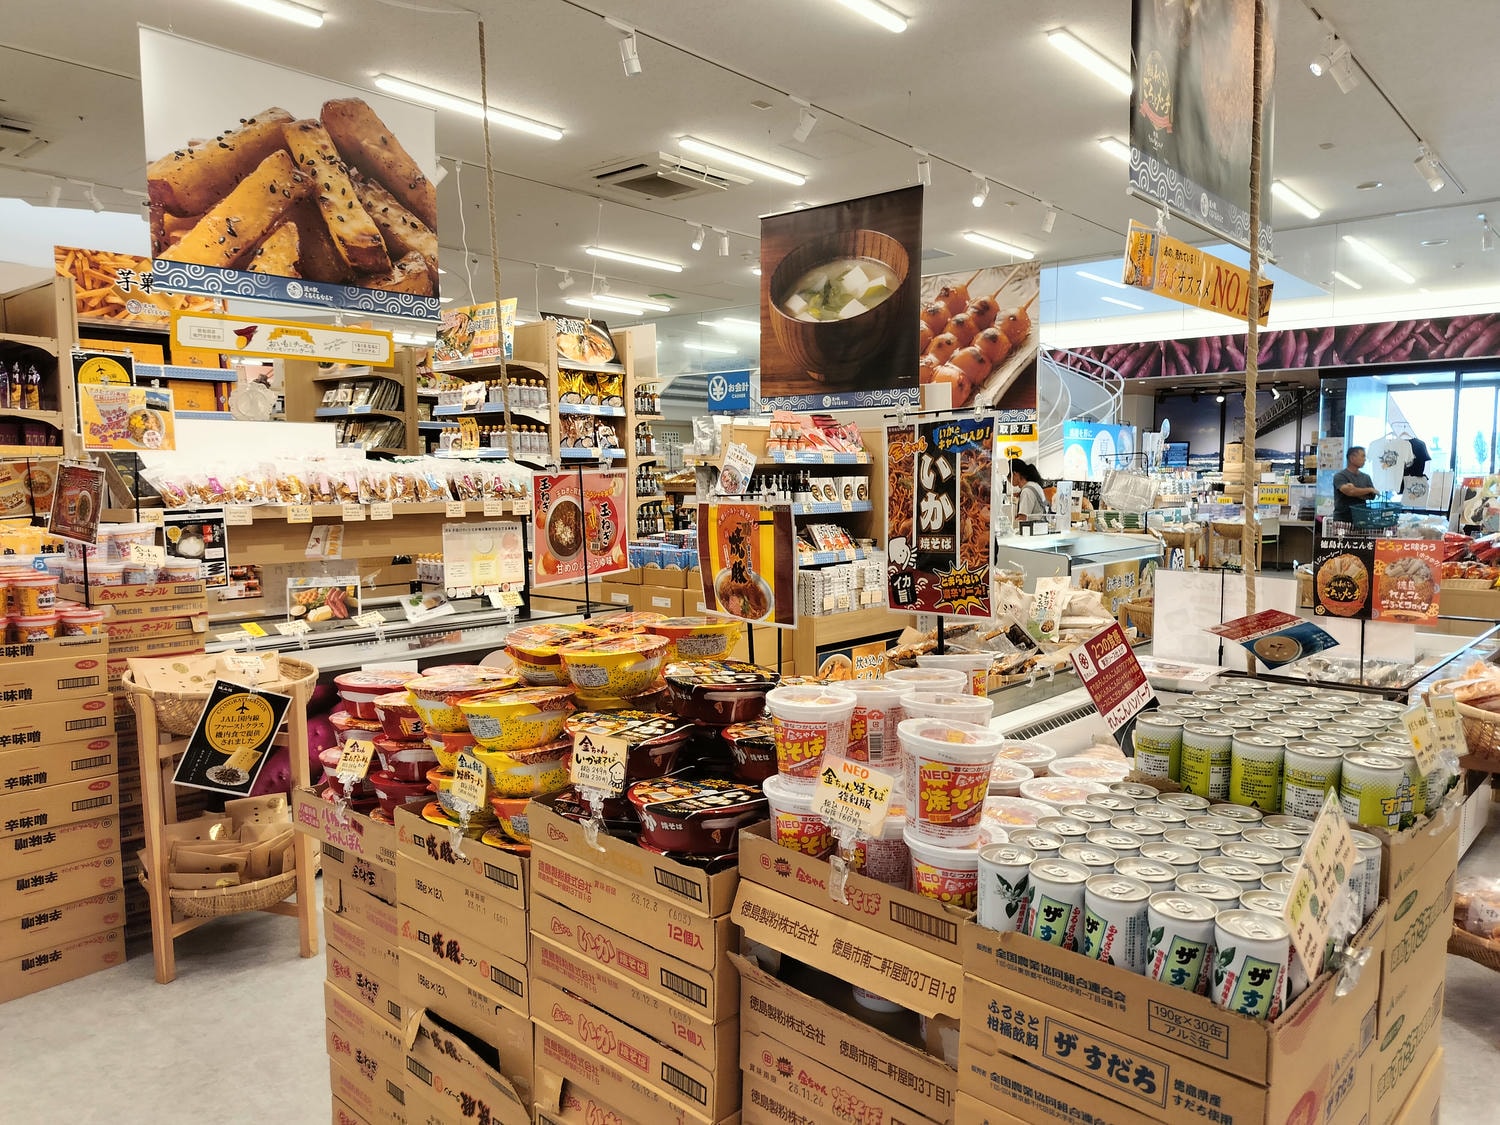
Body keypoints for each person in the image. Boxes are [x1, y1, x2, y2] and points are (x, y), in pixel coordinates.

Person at [1332, 446, 1378, 522]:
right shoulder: (1340, 476)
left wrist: (1355, 491)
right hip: (1343, 519)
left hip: (1361, 519)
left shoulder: (1366, 477)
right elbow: (1349, 491)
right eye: (1362, 456)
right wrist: (1368, 490)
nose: (1365, 459)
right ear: (1352, 458)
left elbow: (1372, 496)